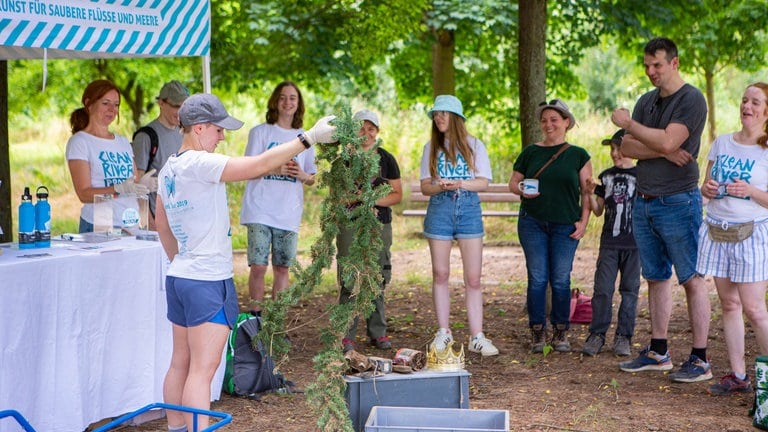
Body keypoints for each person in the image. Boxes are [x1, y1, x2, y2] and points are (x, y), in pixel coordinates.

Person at [155, 93, 335, 431]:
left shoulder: (170, 168)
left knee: (180, 363)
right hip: (207, 280)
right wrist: (307, 137)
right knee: (201, 372)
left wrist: (179, 260)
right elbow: (257, 165)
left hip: (180, 276)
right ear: (199, 127)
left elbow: (161, 224)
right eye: (219, 130)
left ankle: (177, 428)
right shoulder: (200, 163)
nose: (223, 137)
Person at [611, 37, 711, 383]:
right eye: (647, 65)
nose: (651, 71)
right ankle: (658, 350)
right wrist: (664, 149)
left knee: (691, 278)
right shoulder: (646, 101)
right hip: (645, 200)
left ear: (674, 63)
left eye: (657, 65)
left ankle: (699, 358)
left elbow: (657, 139)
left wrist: (631, 126)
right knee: (655, 277)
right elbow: (627, 146)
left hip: (679, 200)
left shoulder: (692, 99)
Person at [698, 82, 768, 395]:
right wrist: (708, 189)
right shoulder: (722, 143)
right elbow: (705, 185)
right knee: (729, 303)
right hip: (717, 230)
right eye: (744, 100)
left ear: (766, 111)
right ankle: (739, 375)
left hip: (751, 233)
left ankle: (766, 379)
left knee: (754, 309)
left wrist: (752, 191)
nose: (747, 107)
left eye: (755, 102)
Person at [509, 98, 592, 354]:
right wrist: (522, 190)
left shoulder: (578, 154)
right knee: (537, 278)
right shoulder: (530, 152)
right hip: (532, 222)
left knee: (559, 279)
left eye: (554, 119)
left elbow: (587, 192)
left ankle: (560, 331)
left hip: (565, 225)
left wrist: (584, 221)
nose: (548, 124)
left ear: (566, 123)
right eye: (544, 120)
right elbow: (513, 184)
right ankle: (537, 331)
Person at [420, 94, 499, 357]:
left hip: (468, 209)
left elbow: (483, 183)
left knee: (473, 278)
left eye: (443, 113)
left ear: (456, 117)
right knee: (440, 274)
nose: (438, 118)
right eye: (436, 114)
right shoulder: (430, 148)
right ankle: (444, 332)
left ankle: (477, 336)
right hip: (440, 209)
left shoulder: (474, 145)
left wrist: (460, 184)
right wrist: (439, 186)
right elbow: (424, 187)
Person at [239, 81, 316, 317]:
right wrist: (274, 168)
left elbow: (312, 177)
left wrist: (302, 175)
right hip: (259, 209)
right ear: (275, 101)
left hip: (288, 211)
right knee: (259, 266)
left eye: (293, 98)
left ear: (298, 103)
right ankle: (256, 318)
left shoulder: (304, 138)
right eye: (283, 97)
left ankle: (277, 321)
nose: (287, 102)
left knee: (282, 267)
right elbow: (247, 168)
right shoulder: (260, 132)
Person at [338, 110, 402, 352]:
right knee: (350, 276)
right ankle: (346, 333)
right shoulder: (344, 160)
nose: (366, 133)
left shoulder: (386, 159)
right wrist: (368, 198)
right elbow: (340, 196)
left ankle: (378, 331)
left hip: (379, 224)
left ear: (377, 131)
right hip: (350, 223)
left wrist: (366, 198)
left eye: (371, 128)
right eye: (361, 128)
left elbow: (396, 195)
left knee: (377, 275)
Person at [65, 79, 154, 233]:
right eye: (105, 103)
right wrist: (117, 189)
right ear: (89, 104)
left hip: (129, 224)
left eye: (116, 104)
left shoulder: (122, 142)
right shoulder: (80, 142)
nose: (112, 109)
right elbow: (83, 194)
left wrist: (142, 184)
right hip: (99, 226)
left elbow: (132, 181)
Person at [581, 129, 640, 357]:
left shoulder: (643, 175)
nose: (614, 153)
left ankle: (624, 337)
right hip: (609, 243)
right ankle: (597, 334)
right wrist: (588, 193)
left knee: (630, 290)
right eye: (612, 149)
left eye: (619, 148)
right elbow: (597, 210)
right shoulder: (606, 176)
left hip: (635, 244)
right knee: (603, 289)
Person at [132, 80, 190, 230]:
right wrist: (147, 221)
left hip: (183, 218)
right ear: (161, 103)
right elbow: (137, 185)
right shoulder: (146, 137)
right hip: (158, 222)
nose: (180, 112)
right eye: (176, 106)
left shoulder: (186, 132)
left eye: (184, 106)